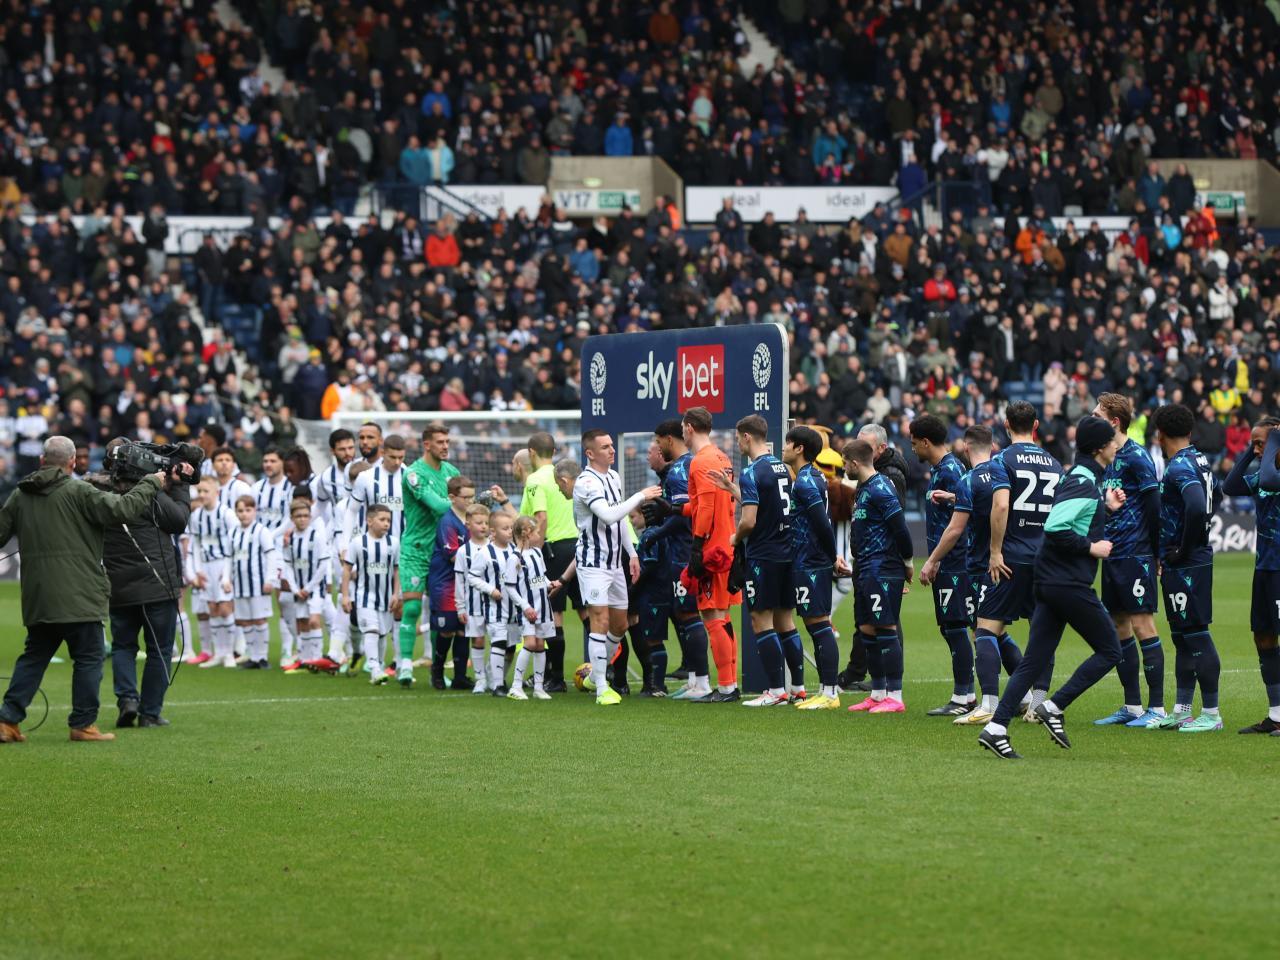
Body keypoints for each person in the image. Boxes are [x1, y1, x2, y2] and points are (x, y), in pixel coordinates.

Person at [979, 416, 1126, 760]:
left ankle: (996, 728)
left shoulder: (1082, 479)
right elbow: (1057, 527)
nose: (1117, 446)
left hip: (1050, 581)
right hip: (1067, 583)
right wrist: (1092, 548)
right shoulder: (1083, 482)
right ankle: (1054, 706)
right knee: (1111, 651)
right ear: (1100, 448)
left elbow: (1069, 516)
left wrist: (1105, 507)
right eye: (1113, 441)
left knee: (1033, 660)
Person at [0, 437, 164, 744]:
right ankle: (83, 724)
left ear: (41, 460)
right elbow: (123, 509)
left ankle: (7, 720)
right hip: (80, 594)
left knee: (33, 658)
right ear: (73, 462)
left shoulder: (21, 494)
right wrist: (152, 482)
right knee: (89, 658)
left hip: (40, 596)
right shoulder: (78, 490)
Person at [96, 440, 194, 729]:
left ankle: (127, 701)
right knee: (160, 649)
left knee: (124, 646)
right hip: (157, 583)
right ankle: (150, 712)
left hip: (118, 584)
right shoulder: (147, 490)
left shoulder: (97, 491)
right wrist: (181, 485)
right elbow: (178, 521)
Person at [559, 430, 660, 706]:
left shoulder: (613, 477)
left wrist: (632, 554)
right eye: (605, 447)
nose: (611, 450)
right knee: (600, 620)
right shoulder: (585, 483)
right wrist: (641, 495)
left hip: (616, 563)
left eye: (611, 445)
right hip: (593, 563)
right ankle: (602, 686)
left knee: (620, 624)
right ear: (590, 453)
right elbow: (608, 514)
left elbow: (621, 521)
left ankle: (594, 674)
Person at [1090, 394, 1167, 728]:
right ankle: (1133, 705)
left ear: (1114, 421)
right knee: (1119, 628)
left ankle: (1159, 708)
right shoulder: (1106, 459)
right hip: (1112, 554)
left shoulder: (1137, 457)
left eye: (1097, 414)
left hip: (1136, 554)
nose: (1091, 418)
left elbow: (1154, 507)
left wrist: (1156, 552)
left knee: (1141, 625)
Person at [986, 401, 1063, 719]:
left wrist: (994, 551)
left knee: (987, 628)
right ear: (1035, 426)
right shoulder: (1055, 463)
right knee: (1041, 630)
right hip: (1045, 558)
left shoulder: (1002, 459)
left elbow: (1001, 506)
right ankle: (1038, 703)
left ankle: (988, 704)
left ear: (1006, 425)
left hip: (1012, 557)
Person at [1152, 403, 1224, 732]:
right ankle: (1182, 709)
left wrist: (1182, 547)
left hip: (1188, 563)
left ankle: (1211, 713)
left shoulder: (1178, 467)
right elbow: (1217, 495)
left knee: (1196, 634)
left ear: (1159, 434)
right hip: (1191, 559)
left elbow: (1196, 506)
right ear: (1190, 431)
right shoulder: (1200, 459)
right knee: (1182, 636)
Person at [910, 414, 977, 716]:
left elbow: (960, 522)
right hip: (947, 561)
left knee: (958, 626)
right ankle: (968, 693)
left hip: (955, 563)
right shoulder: (942, 470)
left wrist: (935, 560)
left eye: (914, 443)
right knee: (952, 627)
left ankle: (964, 696)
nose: (912, 449)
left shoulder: (951, 471)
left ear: (925, 442)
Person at [727, 415, 795, 708]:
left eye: (737, 437)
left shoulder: (751, 471)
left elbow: (750, 520)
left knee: (759, 620)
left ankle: (775, 690)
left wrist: (735, 537)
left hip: (763, 554)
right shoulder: (783, 467)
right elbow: (767, 505)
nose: (736, 443)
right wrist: (734, 493)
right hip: (786, 552)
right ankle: (799, 688)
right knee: (785, 620)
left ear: (746, 437)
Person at [842, 438, 914, 713]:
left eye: (845, 463)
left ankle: (894, 696)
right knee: (867, 629)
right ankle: (878, 692)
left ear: (855, 463)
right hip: (865, 567)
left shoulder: (882, 488)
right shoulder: (864, 489)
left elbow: (900, 529)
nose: (844, 467)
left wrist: (907, 561)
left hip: (882, 567)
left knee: (885, 628)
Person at [1223, 417, 1280, 735]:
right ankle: (1276, 715)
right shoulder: (1261, 473)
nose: (1258, 450)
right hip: (1265, 568)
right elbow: (1230, 486)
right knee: (1263, 637)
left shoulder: (1271, 475)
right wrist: (1251, 449)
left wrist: (1272, 441)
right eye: (1254, 444)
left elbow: (1272, 480)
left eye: (1262, 444)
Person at [782, 426, 844, 709]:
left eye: (787, 443)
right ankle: (825, 689)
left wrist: (833, 558)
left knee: (819, 625)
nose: (783, 448)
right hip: (809, 560)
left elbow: (822, 523)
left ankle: (830, 693)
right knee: (815, 624)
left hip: (812, 562)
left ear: (799, 449)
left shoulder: (806, 482)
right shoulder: (808, 478)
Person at [682, 408, 741, 702]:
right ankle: (729, 683)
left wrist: (696, 546)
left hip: (712, 549)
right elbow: (713, 502)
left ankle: (727, 687)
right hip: (728, 543)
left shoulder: (700, 461)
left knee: (712, 616)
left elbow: (706, 508)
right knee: (724, 616)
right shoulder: (721, 457)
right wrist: (676, 509)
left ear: (689, 428)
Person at [399, 424, 461, 685]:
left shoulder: (452, 472)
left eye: (447, 441)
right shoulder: (413, 474)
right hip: (415, 548)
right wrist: (468, 502)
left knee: (441, 613)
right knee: (412, 606)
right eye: (440, 442)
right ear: (426, 444)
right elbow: (438, 506)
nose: (445, 446)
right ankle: (404, 665)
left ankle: (438, 670)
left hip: (441, 550)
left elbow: (460, 510)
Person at [646, 419, 703, 694]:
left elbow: (682, 517)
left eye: (658, 442)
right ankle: (694, 680)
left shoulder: (681, 469)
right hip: (685, 549)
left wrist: (655, 533)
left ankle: (700, 682)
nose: (657, 447)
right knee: (685, 614)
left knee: (689, 614)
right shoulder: (689, 465)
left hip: (684, 551)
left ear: (669, 439)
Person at [522, 433, 578, 692]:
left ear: (531, 452)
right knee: (588, 612)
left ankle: (555, 677)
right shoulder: (564, 474)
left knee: (554, 614)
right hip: (578, 547)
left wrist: (533, 552)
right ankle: (601, 671)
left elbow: (540, 518)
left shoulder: (534, 479)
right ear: (553, 451)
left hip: (554, 549)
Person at [341, 503, 402, 686]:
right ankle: (374, 669)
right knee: (372, 630)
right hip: (364, 598)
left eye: (389, 520)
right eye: (382, 519)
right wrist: (345, 595)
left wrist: (395, 593)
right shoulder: (358, 543)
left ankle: (379, 667)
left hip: (386, 599)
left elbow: (398, 569)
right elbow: (346, 570)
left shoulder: (394, 543)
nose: (386, 524)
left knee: (383, 634)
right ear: (369, 521)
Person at [427, 475, 477, 689]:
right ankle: (437, 672)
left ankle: (459, 677)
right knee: (447, 629)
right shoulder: (447, 522)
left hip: (465, 583)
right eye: (465, 497)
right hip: (445, 582)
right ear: (452, 497)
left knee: (463, 629)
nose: (470, 501)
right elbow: (454, 556)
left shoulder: (471, 520)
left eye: (472, 497)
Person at [312, 428, 356, 669]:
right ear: (333, 451)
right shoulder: (325, 478)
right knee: (344, 595)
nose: (348, 453)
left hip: (367, 543)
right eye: (342, 449)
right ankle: (341, 651)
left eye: (351, 448)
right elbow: (317, 509)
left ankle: (382, 657)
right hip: (340, 545)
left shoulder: (364, 472)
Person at [253, 446, 296, 667]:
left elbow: (290, 518)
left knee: (284, 599)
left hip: (281, 548)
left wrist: (268, 535)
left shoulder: (290, 487)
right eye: (266, 461)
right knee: (256, 599)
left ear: (281, 463)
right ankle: (253, 652)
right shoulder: (257, 488)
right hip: (259, 551)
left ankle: (289, 650)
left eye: (273, 461)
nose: (268, 464)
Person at [190, 477, 239, 669]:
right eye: (199, 491)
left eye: (205, 491)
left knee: (225, 609)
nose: (202, 495)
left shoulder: (226, 514)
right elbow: (195, 544)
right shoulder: (196, 516)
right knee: (212, 609)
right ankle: (219, 652)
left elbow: (235, 543)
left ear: (216, 493)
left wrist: (227, 574)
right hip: (206, 566)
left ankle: (230, 653)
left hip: (223, 564)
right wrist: (196, 570)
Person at [229, 495, 281, 670]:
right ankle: (252, 656)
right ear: (236, 513)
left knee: (259, 620)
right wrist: (226, 578)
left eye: (248, 510)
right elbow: (229, 558)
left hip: (258, 585)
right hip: (240, 585)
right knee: (244, 621)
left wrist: (270, 579)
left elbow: (271, 555)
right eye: (240, 511)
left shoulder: (261, 531)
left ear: (255, 511)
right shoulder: (234, 532)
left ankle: (262, 657)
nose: (244, 514)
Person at [506, 515, 555, 700]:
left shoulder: (536, 553)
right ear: (526, 534)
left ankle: (538, 687)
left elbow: (541, 577)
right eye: (535, 532)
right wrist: (525, 607)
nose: (538, 535)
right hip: (528, 609)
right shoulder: (514, 558)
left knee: (541, 644)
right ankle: (516, 686)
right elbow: (509, 586)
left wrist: (551, 584)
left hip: (543, 606)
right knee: (530, 643)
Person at [455, 501, 501, 695]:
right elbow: (459, 580)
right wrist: (460, 607)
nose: (483, 526)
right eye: (478, 522)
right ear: (468, 525)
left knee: (498, 640)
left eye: (485, 523)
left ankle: (493, 675)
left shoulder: (495, 548)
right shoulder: (463, 551)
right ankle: (480, 678)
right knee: (478, 640)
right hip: (473, 604)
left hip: (496, 604)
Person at [284, 498, 331, 672]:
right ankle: (304, 659)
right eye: (298, 516)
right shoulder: (289, 539)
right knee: (302, 622)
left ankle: (316, 659)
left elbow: (323, 565)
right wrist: (295, 588)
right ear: (292, 518)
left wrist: (309, 587)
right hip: (299, 589)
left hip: (315, 588)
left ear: (310, 517)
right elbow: (288, 565)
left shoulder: (316, 536)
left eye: (305, 515)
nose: (302, 519)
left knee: (313, 621)